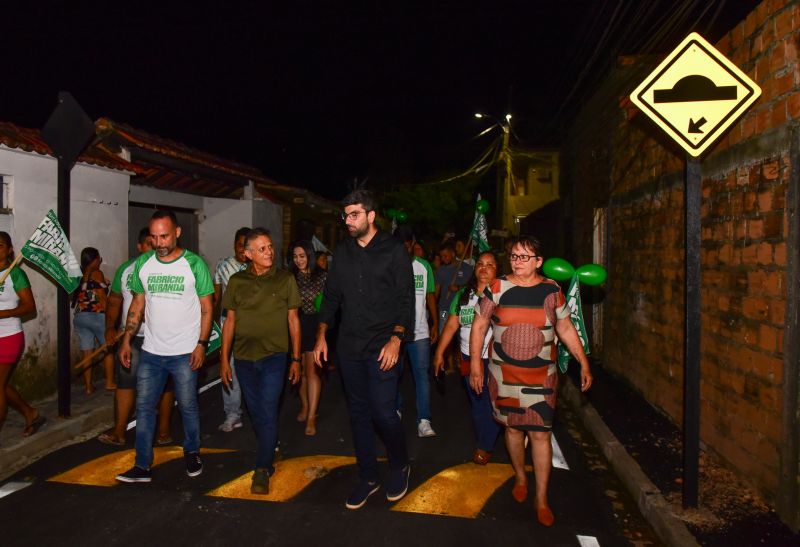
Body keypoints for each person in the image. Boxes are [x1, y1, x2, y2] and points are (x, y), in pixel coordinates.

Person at [469, 235, 593, 527]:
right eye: (513, 256)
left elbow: (565, 326)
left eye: (524, 257)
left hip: (542, 377)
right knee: (512, 430)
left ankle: (542, 498)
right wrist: (476, 364)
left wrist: (583, 361)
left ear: (539, 262)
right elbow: (479, 325)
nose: (517, 261)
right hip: (504, 375)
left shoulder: (551, 291)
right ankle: (521, 476)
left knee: (540, 433)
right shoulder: (497, 288)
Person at [314, 189, 413, 510]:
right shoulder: (341, 252)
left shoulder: (394, 250)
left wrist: (397, 338)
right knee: (358, 414)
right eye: (345, 215)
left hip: (384, 344)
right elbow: (331, 298)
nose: (348, 221)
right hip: (349, 348)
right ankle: (368, 476)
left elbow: (405, 299)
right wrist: (321, 336)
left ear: (371, 215)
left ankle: (400, 464)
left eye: (354, 214)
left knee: (384, 411)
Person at [115, 210, 214, 484]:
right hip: (151, 352)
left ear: (177, 233)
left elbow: (207, 308)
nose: (159, 243)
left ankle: (192, 452)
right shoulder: (144, 264)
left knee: (188, 406)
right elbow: (137, 303)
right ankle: (142, 466)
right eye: (154, 237)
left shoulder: (194, 264)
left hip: (185, 352)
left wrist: (201, 344)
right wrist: (126, 339)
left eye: (165, 236)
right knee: (145, 407)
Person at [220, 228, 302, 494]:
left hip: (275, 357)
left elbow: (293, 320)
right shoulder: (236, 282)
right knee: (257, 413)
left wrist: (297, 359)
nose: (270, 252)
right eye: (262, 248)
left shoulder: (285, 279)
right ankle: (271, 444)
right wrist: (224, 359)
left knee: (267, 408)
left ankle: (263, 467)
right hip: (243, 358)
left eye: (270, 247)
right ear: (248, 254)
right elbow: (230, 322)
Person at [98, 228, 174, 447]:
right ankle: (119, 431)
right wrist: (110, 328)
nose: (155, 248)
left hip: (162, 338)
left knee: (165, 386)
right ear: (140, 246)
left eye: (158, 243)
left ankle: (163, 431)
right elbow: (114, 300)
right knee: (126, 383)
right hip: (132, 338)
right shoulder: (126, 269)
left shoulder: (171, 268)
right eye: (150, 244)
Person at [433, 250, 501, 464]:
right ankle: (486, 440)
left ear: (497, 270)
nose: (484, 267)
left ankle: (485, 446)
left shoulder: (502, 296)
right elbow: (452, 324)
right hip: (466, 357)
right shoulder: (464, 295)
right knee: (478, 402)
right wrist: (439, 353)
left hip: (493, 360)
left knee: (490, 404)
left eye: (490, 264)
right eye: (480, 263)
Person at [0, 232, 44, 441]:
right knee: (1, 384)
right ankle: (29, 412)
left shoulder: (16, 274)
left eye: (0, 245)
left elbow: (29, 306)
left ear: (10, 250)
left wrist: (4, 313)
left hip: (8, 335)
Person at [398, 231, 438, 437]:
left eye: (408, 245)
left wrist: (435, 323)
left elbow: (430, 295)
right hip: (395, 333)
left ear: (413, 244)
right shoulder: (391, 264)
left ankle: (424, 419)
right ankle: (395, 409)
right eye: (401, 245)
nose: (405, 249)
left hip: (420, 332)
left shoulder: (424, 267)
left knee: (422, 375)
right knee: (393, 373)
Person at [213, 226, 250, 433]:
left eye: (246, 246)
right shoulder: (223, 266)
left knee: (252, 371)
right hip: (229, 326)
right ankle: (232, 414)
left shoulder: (257, 267)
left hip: (252, 328)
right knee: (229, 369)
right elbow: (216, 298)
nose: (241, 250)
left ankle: (257, 413)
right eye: (239, 245)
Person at [289, 240, 327, 436]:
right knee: (301, 371)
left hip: (314, 324)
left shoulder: (321, 277)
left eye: (302, 256)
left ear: (310, 256)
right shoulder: (290, 277)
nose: (298, 260)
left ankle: (312, 416)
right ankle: (305, 405)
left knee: (312, 372)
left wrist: (323, 333)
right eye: (295, 256)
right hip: (295, 325)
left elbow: (328, 306)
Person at [73, 247, 115, 394]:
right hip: (97, 315)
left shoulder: (78, 273)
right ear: (95, 260)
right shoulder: (97, 273)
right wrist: (110, 320)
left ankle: (89, 387)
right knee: (108, 349)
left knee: (87, 353)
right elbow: (102, 298)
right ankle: (109, 383)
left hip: (80, 317)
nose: (100, 261)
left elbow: (85, 292)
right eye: (99, 259)